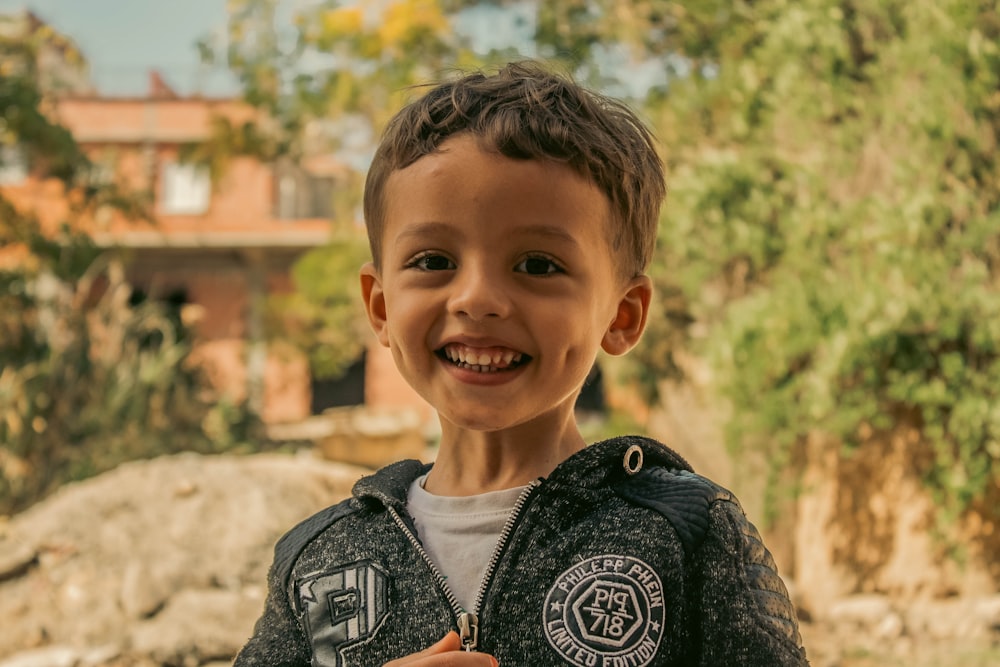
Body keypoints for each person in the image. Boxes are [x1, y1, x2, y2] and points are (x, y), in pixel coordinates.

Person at [234, 61, 809, 667]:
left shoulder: (686, 531)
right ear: (380, 306)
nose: (476, 298)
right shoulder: (318, 558)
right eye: (433, 261)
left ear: (622, 315)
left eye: (538, 265)